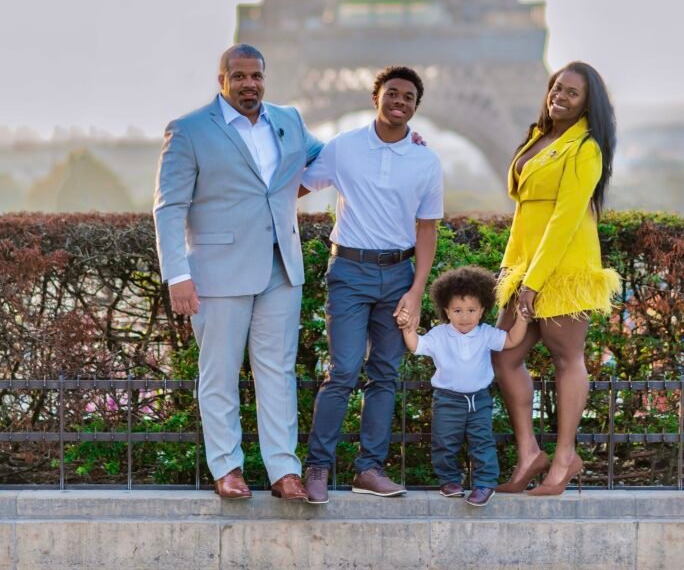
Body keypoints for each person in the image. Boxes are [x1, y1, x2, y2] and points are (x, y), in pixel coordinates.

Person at [153, 44, 322, 501]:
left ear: (265, 78)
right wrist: (177, 275)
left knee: (277, 373)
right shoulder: (188, 131)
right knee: (220, 374)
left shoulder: (288, 120)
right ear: (222, 79)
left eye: (257, 76)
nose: (250, 83)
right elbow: (170, 208)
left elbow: (329, 161)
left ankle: (284, 471)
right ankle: (227, 468)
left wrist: (396, 141)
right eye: (240, 75)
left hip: (280, 268)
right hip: (217, 271)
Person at [300, 66, 443, 504]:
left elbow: (427, 230)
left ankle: (369, 469)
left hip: (399, 274)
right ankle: (318, 467)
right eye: (392, 93)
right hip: (350, 271)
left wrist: (416, 291)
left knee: (385, 374)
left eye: (409, 98)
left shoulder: (426, 159)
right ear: (375, 97)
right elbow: (293, 189)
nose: (400, 102)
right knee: (342, 370)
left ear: (416, 108)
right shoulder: (343, 149)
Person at [493, 61, 620, 496]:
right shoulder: (538, 136)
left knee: (568, 359)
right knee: (502, 356)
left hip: (564, 268)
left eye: (572, 93)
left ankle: (565, 457)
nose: (559, 97)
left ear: (588, 103)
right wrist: (517, 275)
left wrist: (534, 281)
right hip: (525, 267)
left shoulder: (585, 147)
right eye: (556, 88)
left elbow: (565, 219)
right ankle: (530, 452)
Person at [399, 265, 527, 507]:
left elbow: (511, 340)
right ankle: (449, 481)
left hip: (479, 400)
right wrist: (408, 330)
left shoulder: (485, 333)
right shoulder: (439, 334)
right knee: (444, 442)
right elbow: (417, 346)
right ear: (447, 310)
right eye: (457, 310)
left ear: (482, 311)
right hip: (448, 400)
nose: (465, 316)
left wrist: (521, 319)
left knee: (482, 442)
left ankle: (485, 484)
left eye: (471, 310)